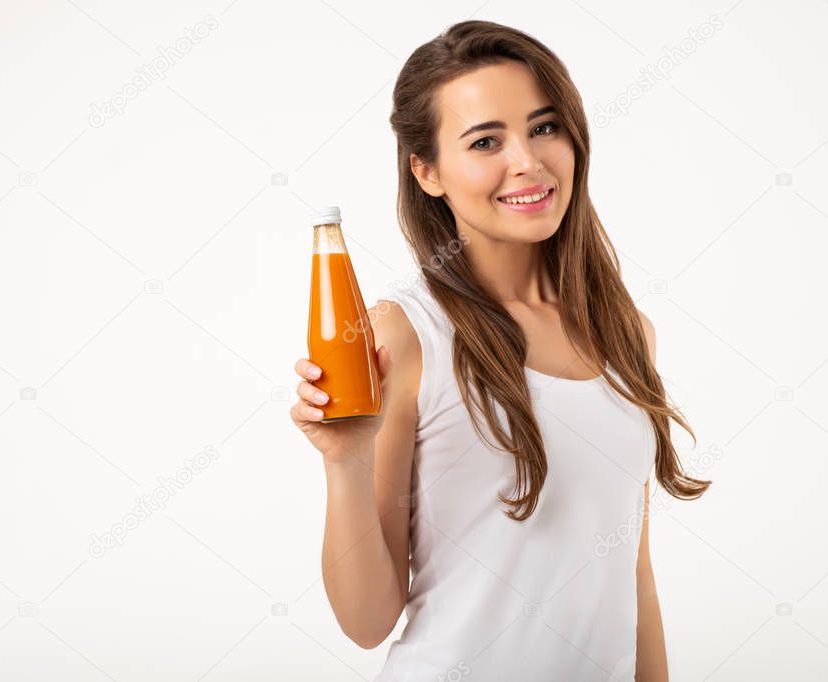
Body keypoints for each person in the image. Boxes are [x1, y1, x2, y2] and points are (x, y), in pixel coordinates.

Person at [290, 19, 710, 681]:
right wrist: (345, 462)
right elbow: (368, 623)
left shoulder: (627, 332)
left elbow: (632, 575)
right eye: (485, 140)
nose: (528, 160)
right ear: (426, 172)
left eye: (544, 127)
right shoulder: (406, 335)